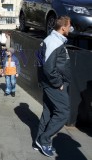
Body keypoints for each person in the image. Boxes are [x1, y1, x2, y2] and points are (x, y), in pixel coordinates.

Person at [34, 16, 73, 157]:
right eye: (69, 26)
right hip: (54, 85)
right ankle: (44, 140)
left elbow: (40, 62)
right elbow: (48, 68)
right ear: (63, 27)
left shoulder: (51, 40)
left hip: (49, 83)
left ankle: (38, 141)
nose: (70, 28)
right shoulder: (54, 42)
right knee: (63, 112)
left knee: (48, 111)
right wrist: (58, 83)